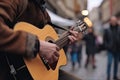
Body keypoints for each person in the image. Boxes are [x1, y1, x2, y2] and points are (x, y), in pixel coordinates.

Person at [0, 0, 80, 80]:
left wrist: (63, 39)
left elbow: (44, 39)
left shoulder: (43, 10)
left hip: (38, 71)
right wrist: (37, 45)